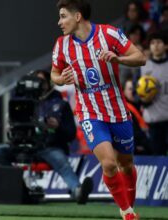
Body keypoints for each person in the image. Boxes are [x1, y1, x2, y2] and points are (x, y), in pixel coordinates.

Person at [51, 0, 146, 219]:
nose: (59, 22)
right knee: (109, 163)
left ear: (77, 17)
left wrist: (118, 58)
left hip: (118, 111)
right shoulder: (62, 44)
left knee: (126, 164)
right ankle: (127, 213)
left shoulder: (110, 34)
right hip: (89, 113)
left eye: (63, 16)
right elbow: (54, 74)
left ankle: (128, 207)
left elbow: (140, 57)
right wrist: (61, 77)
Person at [0, 70, 93, 205]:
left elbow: (70, 134)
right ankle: (18, 190)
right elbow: (13, 126)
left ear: (49, 83)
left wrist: (57, 127)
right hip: (22, 145)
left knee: (61, 162)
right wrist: (11, 126)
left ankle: (78, 191)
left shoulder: (61, 104)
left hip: (49, 147)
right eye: (34, 81)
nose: (37, 85)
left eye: (41, 82)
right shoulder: (22, 102)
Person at [139, 32, 168, 156]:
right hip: (153, 121)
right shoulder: (143, 67)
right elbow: (135, 94)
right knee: (158, 155)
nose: (155, 46)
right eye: (152, 43)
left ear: (166, 46)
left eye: (159, 42)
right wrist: (144, 99)